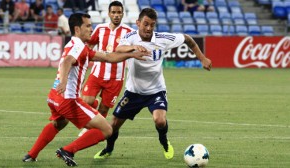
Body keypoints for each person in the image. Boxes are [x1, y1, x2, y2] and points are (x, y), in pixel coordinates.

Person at [21, 12, 149, 166]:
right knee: (107, 130)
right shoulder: (78, 47)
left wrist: (132, 55)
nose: (91, 29)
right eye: (88, 26)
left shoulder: (77, 45)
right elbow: (67, 61)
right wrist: (64, 81)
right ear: (77, 29)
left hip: (54, 97)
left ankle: (32, 154)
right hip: (67, 99)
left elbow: (108, 57)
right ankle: (68, 150)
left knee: (59, 123)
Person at [93, 8, 212, 160]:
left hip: (156, 91)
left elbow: (188, 39)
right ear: (138, 23)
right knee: (114, 124)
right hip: (133, 92)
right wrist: (134, 47)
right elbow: (118, 48)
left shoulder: (163, 38)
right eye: (145, 24)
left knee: (160, 120)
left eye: (152, 25)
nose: (149, 28)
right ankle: (108, 149)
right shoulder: (130, 37)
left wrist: (202, 58)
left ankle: (164, 141)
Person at [78, 1, 133, 136]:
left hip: (116, 78)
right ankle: (92, 110)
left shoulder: (129, 33)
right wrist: (82, 64)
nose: (116, 15)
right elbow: (89, 47)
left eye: (119, 12)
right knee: (86, 102)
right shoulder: (100, 29)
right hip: (97, 73)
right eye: (113, 12)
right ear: (108, 13)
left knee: (104, 109)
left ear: (122, 14)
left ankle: (89, 129)